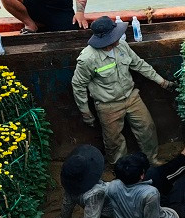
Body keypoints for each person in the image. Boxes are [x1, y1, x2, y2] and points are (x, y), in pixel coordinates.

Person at [72, 16, 174, 164]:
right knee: (114, 141)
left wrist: (162, 81)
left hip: (131, 97)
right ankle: (121, 169)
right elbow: (78, 85)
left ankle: (151, 160)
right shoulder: (88, 58)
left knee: (147, 128)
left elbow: (139, 64)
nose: (118, 37)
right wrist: (85, 111)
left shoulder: (122, 46)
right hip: (108, 105)